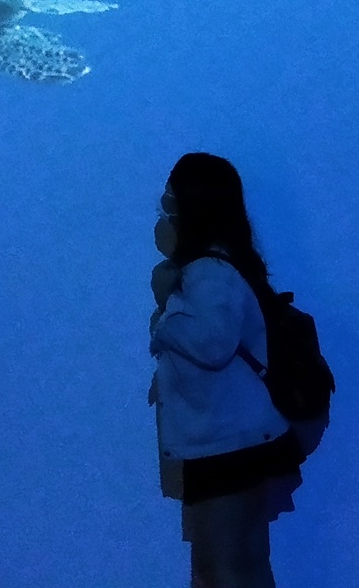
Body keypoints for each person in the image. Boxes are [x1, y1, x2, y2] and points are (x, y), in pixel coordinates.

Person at [149, 152, 305, 588]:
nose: (163, 212)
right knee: (247, 563)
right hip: (238, 437)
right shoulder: (228, 263)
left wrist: (165, 318)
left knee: (217, 570)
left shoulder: (208, 271)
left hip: (222, 444)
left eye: (169, 200)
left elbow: (213, 344)